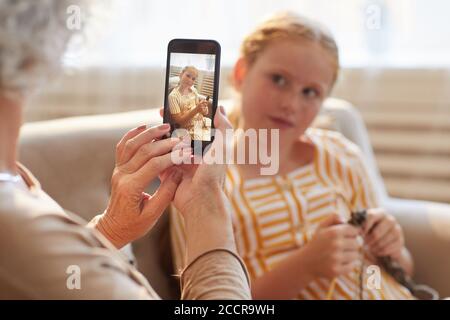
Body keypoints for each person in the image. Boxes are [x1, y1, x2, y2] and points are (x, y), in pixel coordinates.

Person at [0, 0, 250, 299]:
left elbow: (48, 281)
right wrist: (205, 205)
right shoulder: (14, 223)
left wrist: (111, 230)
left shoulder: (14, 179)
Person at [171, 12, 414, 300]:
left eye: (310, 92)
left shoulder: (342, 156)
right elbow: (206, 296)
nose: (290, 104)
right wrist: (306, 267)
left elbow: (391, 276)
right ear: (240, 74)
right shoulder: (202, 178)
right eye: (278, 79)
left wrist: (392, 252)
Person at [168, 66, 210, 140]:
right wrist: (197, 109)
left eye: (193, 79)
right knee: (202, 143)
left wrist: (204, 109)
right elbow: (180, 122)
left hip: (201, 121)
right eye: (188, 76)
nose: (190, 80)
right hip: (188, 129)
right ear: (181, 75)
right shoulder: (173, 96)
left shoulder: (194, 90)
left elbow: (200, 110)